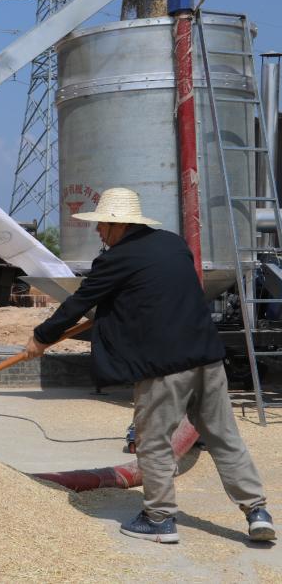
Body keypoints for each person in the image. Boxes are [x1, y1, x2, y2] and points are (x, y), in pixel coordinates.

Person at [27, 187, 274, 544]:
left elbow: (78, 303)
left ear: (120, 225)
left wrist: (40, 337)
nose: (98, 232)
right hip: (207, 355)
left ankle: (159, 518)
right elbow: (154, 292)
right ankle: (257, 511)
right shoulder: (173, 245)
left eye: (102, 226)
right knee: (224, 437)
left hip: (164, 365)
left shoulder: (116, 260)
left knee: (153, 442)